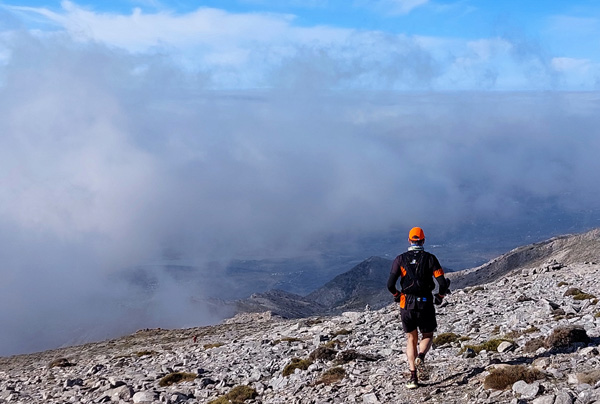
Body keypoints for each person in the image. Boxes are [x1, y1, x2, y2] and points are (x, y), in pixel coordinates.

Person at [387, 226, 449, 389]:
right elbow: (442, 283)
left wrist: (397, 295)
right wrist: (440, 296)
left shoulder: (400, 259)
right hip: (425, 303)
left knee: (411, 339)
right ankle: (421, 356)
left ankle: (413, 377)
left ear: (409, 240)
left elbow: (390, 284)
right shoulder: (430, 259)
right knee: (427, 335)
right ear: (423, 240)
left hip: (406, 303)